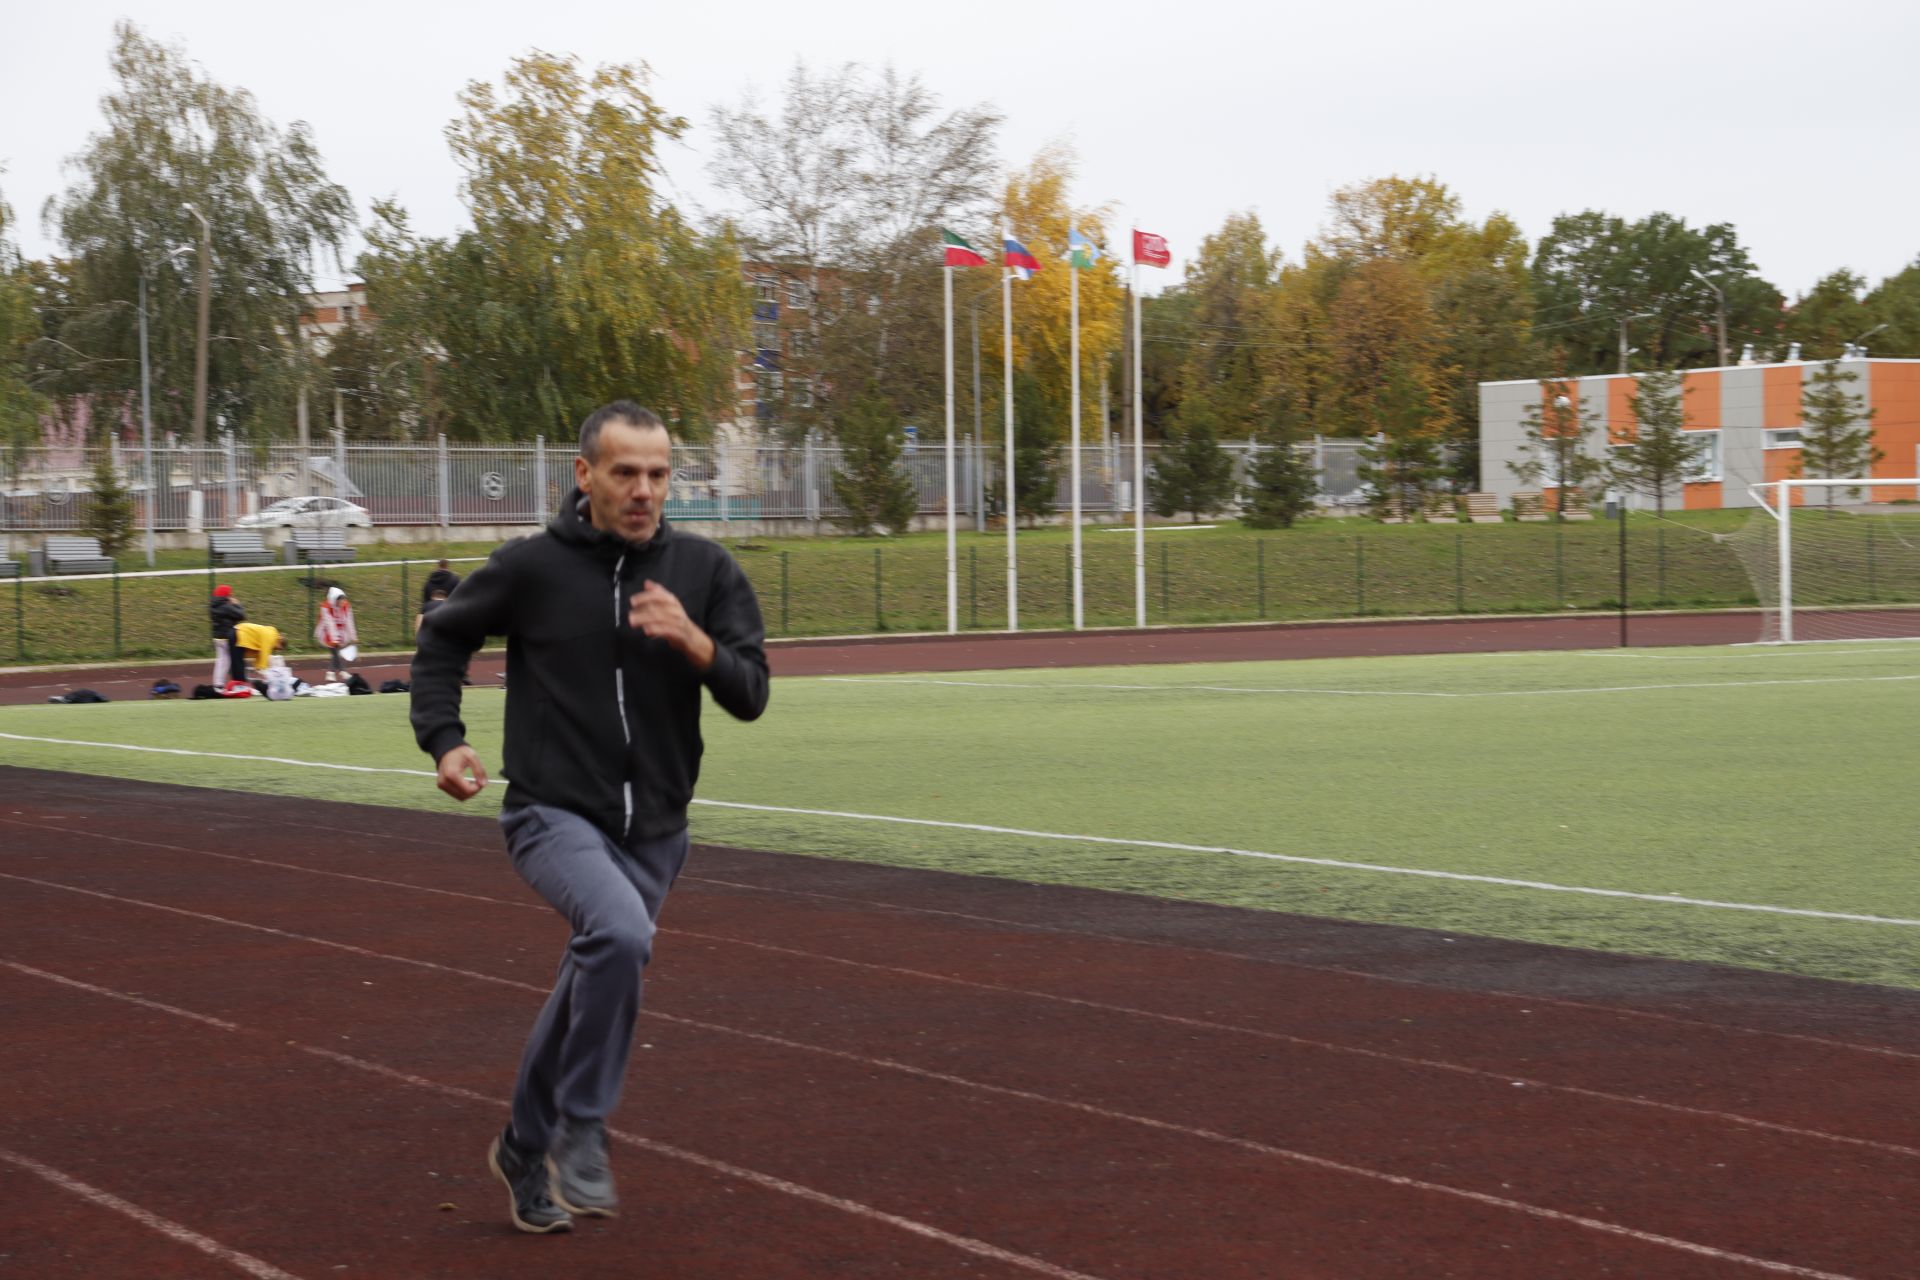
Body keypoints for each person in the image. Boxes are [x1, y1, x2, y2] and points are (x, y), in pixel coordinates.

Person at [410, 401, 769, 1235]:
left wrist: (695, 642)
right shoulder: (532, 567)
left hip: (659, 829)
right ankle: (582, 1125)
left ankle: (522, 1145)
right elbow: (441, 642)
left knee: (589, 982)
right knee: (618, 938)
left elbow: (750, 692)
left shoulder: (706, 572)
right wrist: (445, 740)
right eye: (624, 473)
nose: (643, 490)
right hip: (553, 813)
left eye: (657, 473)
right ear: (585, 476)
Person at [315, 586, 358, 681]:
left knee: (335, 652)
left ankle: (332, 672)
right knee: (335, 650)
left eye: (344, 600)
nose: (343, 603)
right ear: (336, 600)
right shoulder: (326, 607)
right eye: (341, 601)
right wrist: (334, 639)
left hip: (340, 630)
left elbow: (349, 621)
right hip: (326, 630)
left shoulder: (346, 606)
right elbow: (329, 623)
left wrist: (353, 637)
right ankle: (342, 671)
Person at [210, 585, 247, 687]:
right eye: (229, 593)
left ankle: (218, 683)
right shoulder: (226, 606)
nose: (231, 595)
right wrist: (237, 605)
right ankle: (235, 682)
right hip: (228, 636)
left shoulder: (213, 605)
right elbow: (242, 615)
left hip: (217, 636)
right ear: (225, 594)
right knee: (231, 661)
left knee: (221, 660)